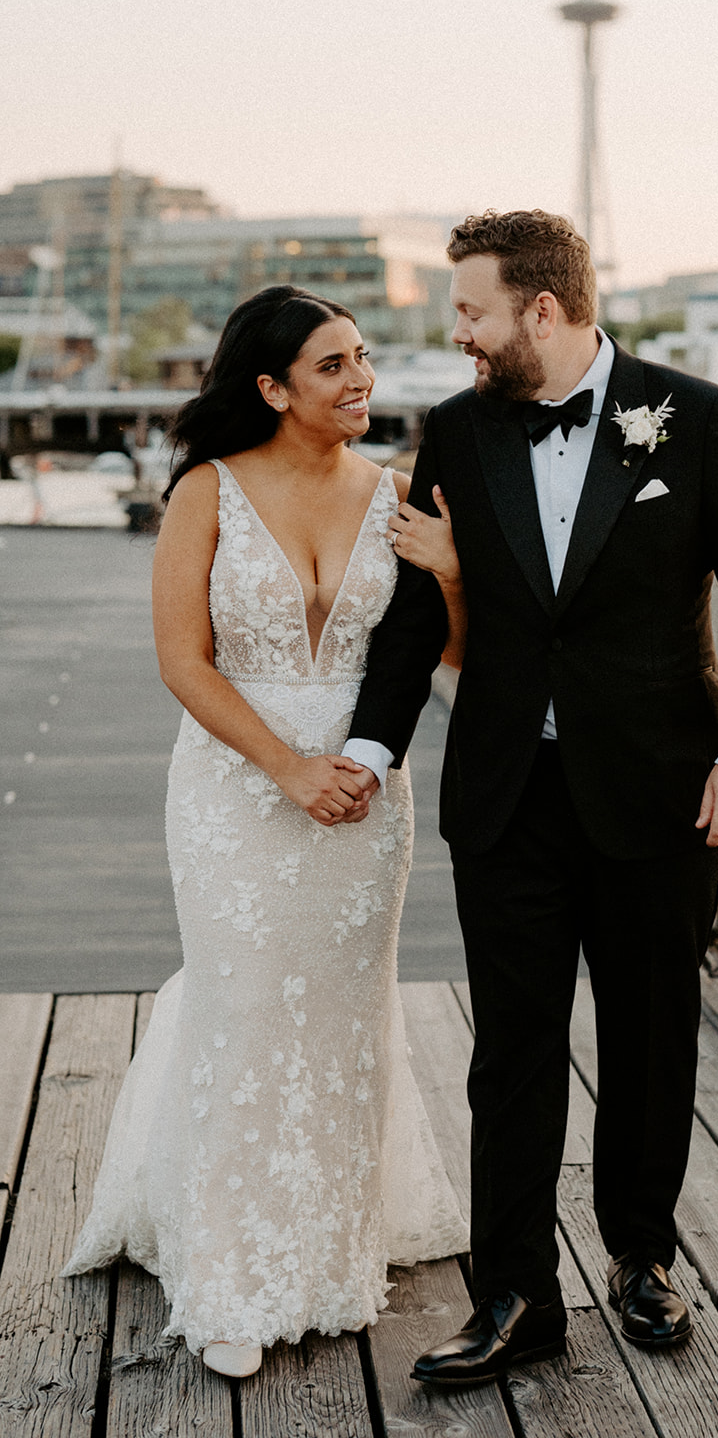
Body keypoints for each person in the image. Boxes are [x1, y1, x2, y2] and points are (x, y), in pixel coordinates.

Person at [341, 210, 718, 1387]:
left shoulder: (691, 416)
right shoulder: (455, 430)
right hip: (507, 792)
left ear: (541, 311)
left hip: (660, 790)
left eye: (472, 312)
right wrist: (367, 743)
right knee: (511, 1051)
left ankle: (642, 1256)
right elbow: (416, 607)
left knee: (650, 1036)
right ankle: (512, 1294)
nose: (457, 334)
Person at [62, 285, 469, 1379]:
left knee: (341, 1010)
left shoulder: (396, 494)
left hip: (363, 794)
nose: (362, 380)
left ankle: (332, 1252)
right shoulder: (207, 490)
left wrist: (452, 574)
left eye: (364, 356)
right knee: (243, 1004)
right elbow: (182, 661)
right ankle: (232, 1271)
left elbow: (451, 657)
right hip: (238, 786)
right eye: (334, 364)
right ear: (272, 387)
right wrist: (286, 766)